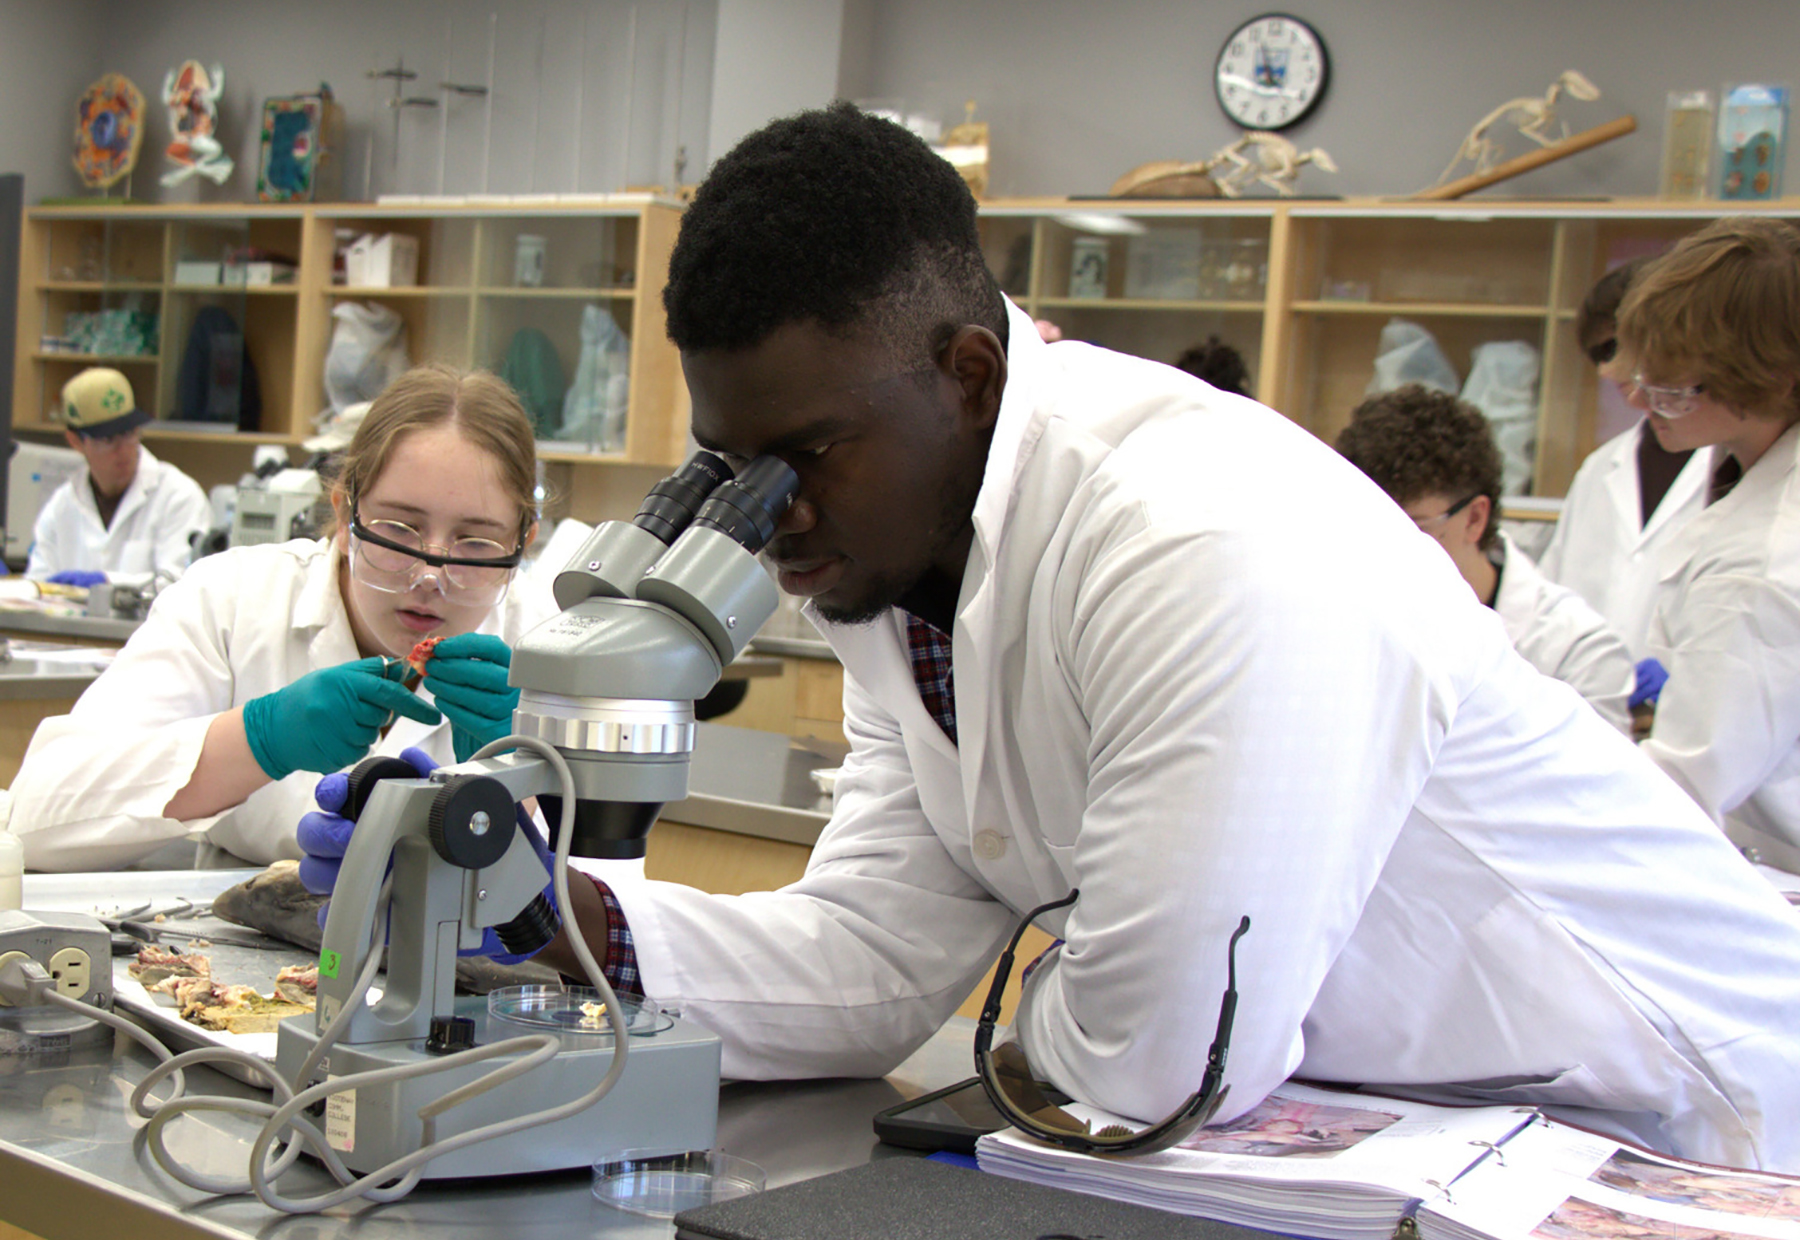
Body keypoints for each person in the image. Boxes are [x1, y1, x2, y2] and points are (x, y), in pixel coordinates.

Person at [317, 107, 1800, 1169]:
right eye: (731, 464)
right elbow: (876, 955)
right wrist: (557, 911)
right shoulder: (898, 559)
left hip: (1695, 1127)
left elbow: (1154, 1064)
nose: (764, 520)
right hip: (1428, 1134)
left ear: (966, 372)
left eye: (802, 458)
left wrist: (1074, 994)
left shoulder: (1203, 539)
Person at [10, 365, 557, 872]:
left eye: (476, 542)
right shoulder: (233, 600)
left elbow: (607, 913)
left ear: (521, 544)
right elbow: (35, 819)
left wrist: (523, 785)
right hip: (232, 949)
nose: (429, 575)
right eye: (398, 529)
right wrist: (258, 740)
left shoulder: (550, 646)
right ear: (345, 515)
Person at [1617, 217, 1800, 875]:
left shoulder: (1762, 561)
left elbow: (1684, 792)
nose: (1641, 396)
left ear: (1778, 378)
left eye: (1674, 386)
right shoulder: (1745, 471)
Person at [1336, 384, 1635, 733]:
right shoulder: (1341, 620)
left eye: (1411, 529)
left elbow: (1590, 784)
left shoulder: (1575, 653)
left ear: (1475, 518)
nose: (1382, 554)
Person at [1537, 258, 1711, 717]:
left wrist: (1688, 680)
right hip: (1589, 719)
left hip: (1692, 724)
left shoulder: (1735, 467)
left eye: (1615, 349)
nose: (1608, 373)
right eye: (1598, 356)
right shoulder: (1599, 470)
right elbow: (1553, 600)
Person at [25, 367, 213, 586]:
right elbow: (37, 586)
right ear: (75, 441)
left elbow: (184, 584)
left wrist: (107, 582)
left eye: (128, 433)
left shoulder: (179, 495)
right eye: (108, 439)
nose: (123, 449)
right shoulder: (61, 505)